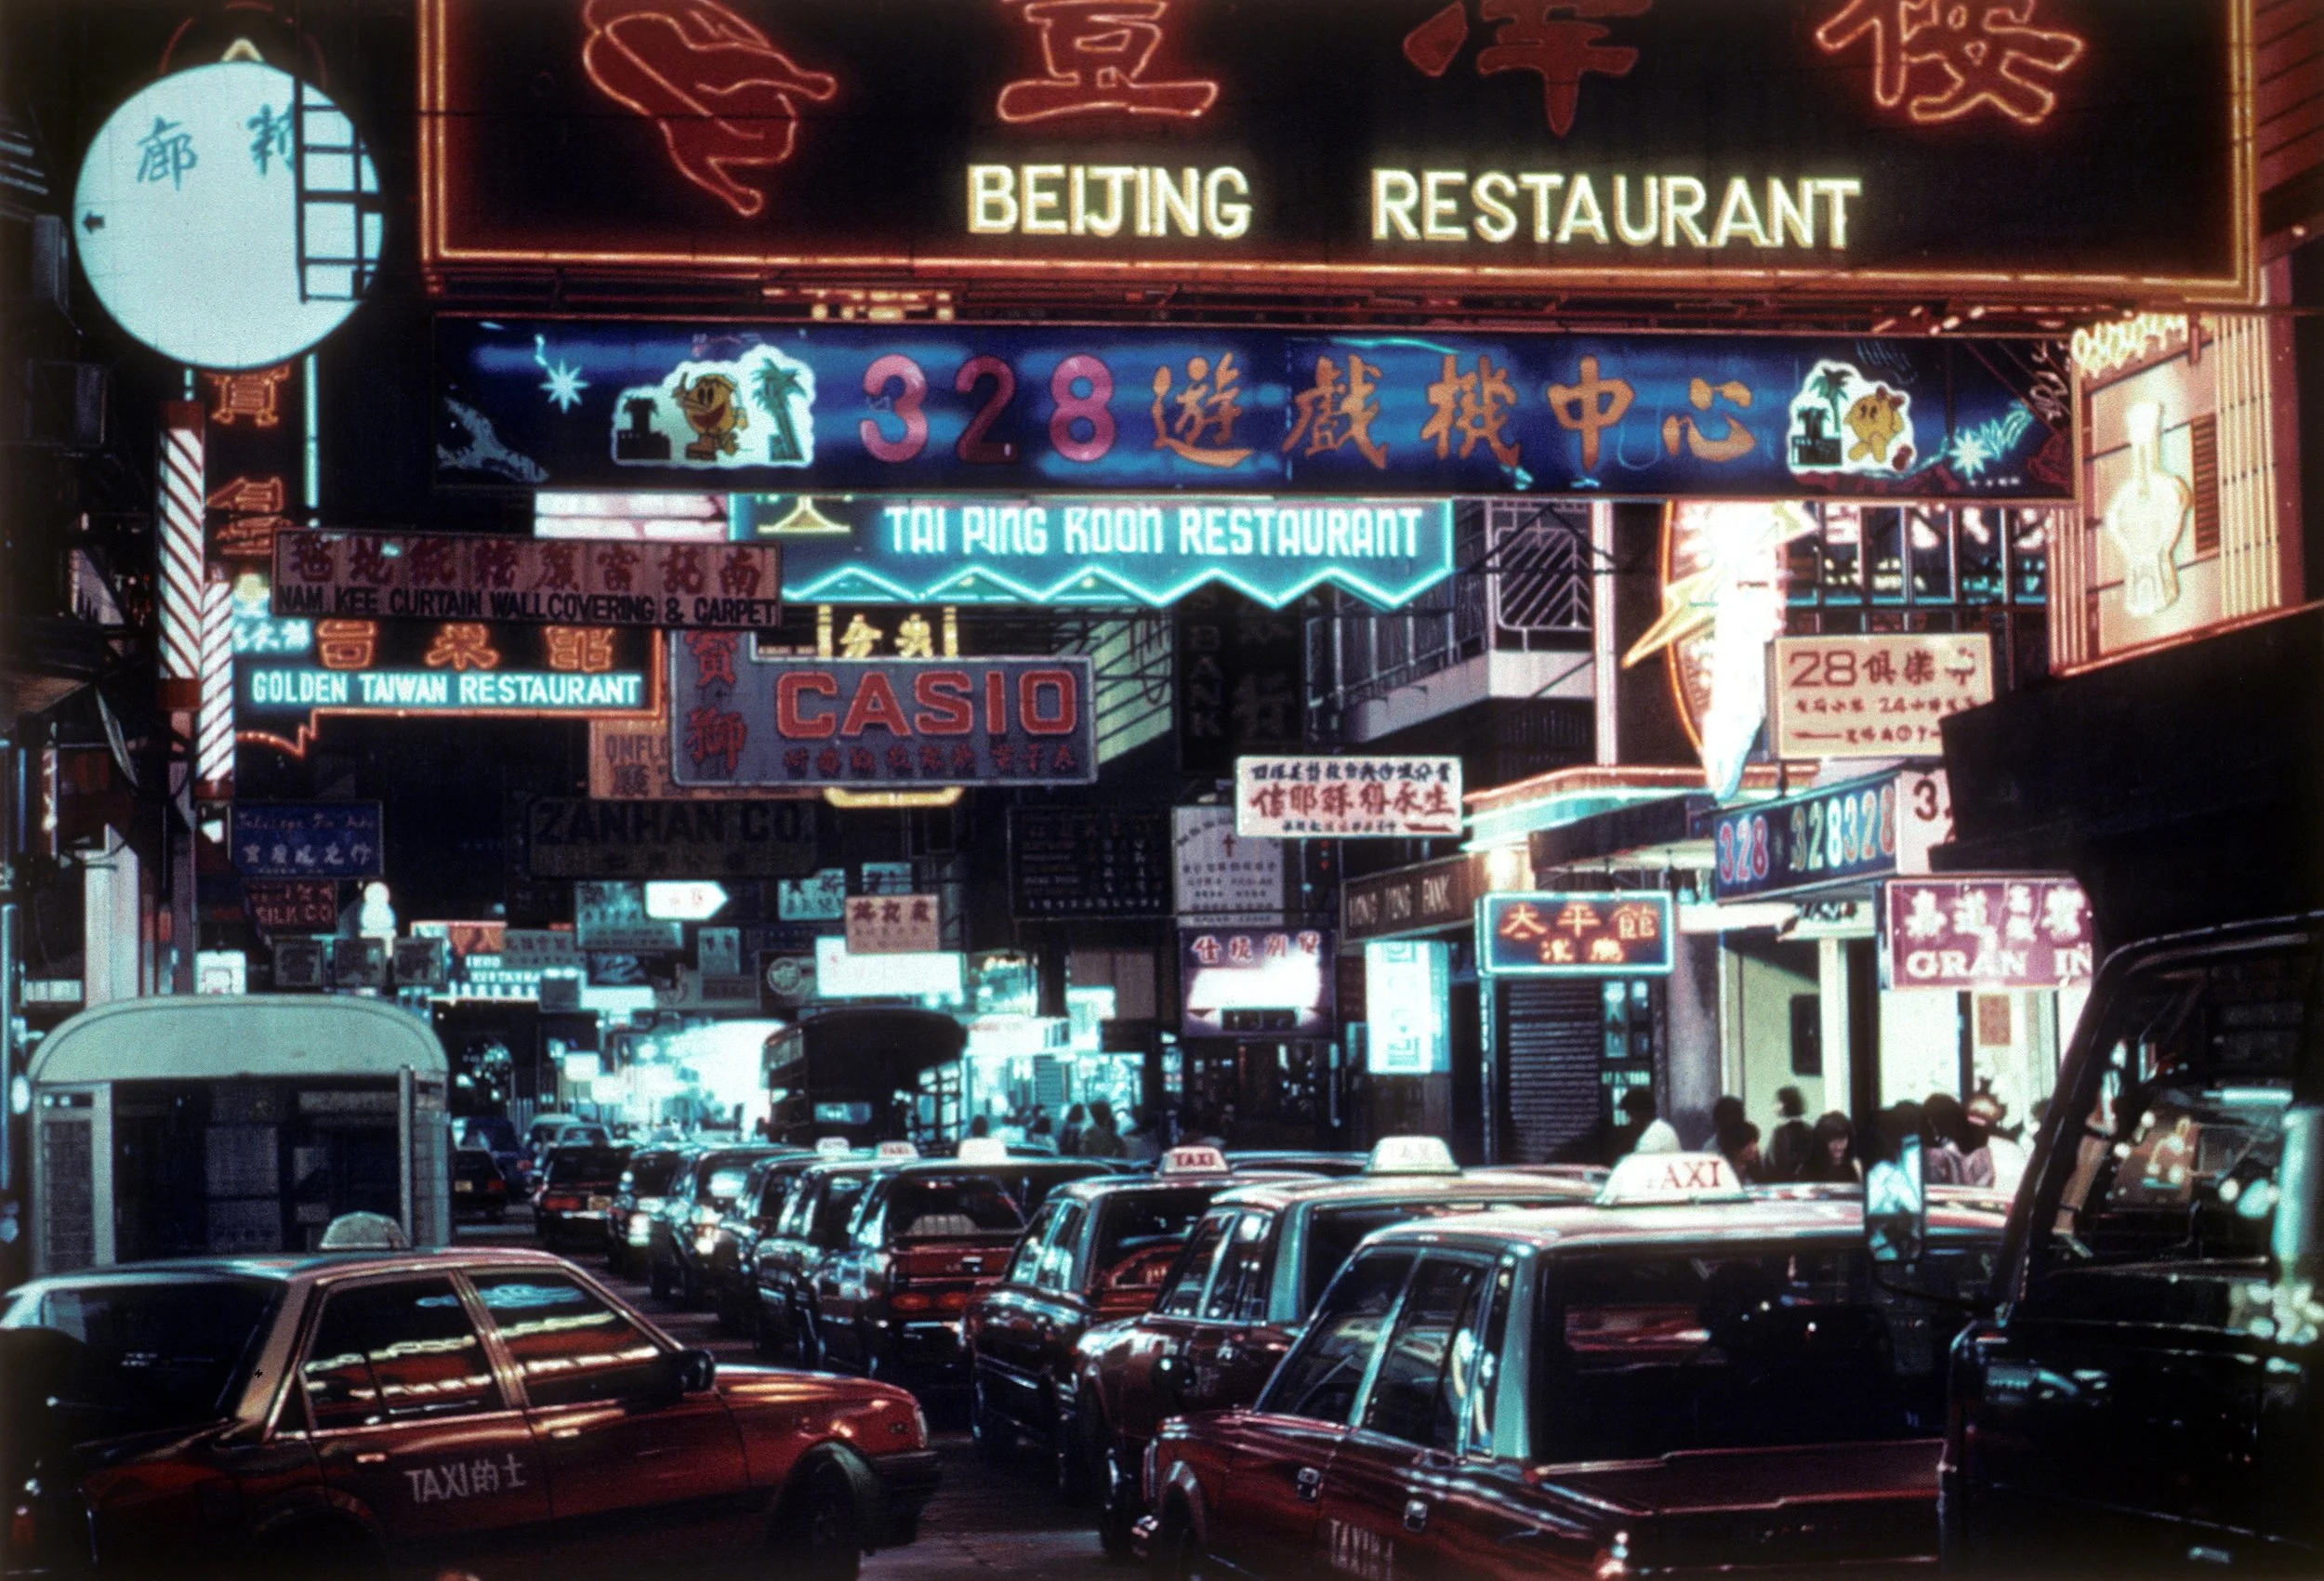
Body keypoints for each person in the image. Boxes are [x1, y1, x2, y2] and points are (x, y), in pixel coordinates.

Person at [1766, 1087, 1815, 1181]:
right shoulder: (1810, 1130)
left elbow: (1774, 1163)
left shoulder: (1779, 1132)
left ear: (1783, 1104)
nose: (1774, 1106)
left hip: (1783, 1185)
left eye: (1776, 1102)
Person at [1618, 1087, 1681, 1155]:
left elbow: (1640, 1164)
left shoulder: (1652, 1138)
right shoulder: (1663, 1127)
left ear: (1640, 1113)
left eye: (1630, 1115)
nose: (1630, 1121)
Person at [1802, 1111, 1860, 1181]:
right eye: (1832, 1140)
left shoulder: (1855, 1166)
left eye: (1842, 1139)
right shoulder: (1808, 1169)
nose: (1838, 1146)